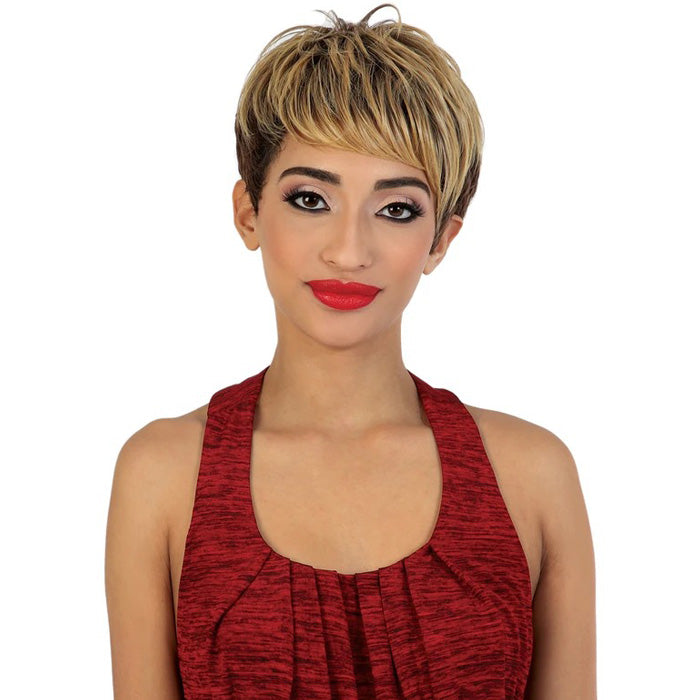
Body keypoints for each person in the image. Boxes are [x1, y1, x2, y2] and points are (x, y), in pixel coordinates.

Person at [105, 4, 596, 698]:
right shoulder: (163, 477)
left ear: (440, 240)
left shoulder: (532, 477)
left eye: (396, 209)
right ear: (248, 212)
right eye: (310, 198)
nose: (348, 250)